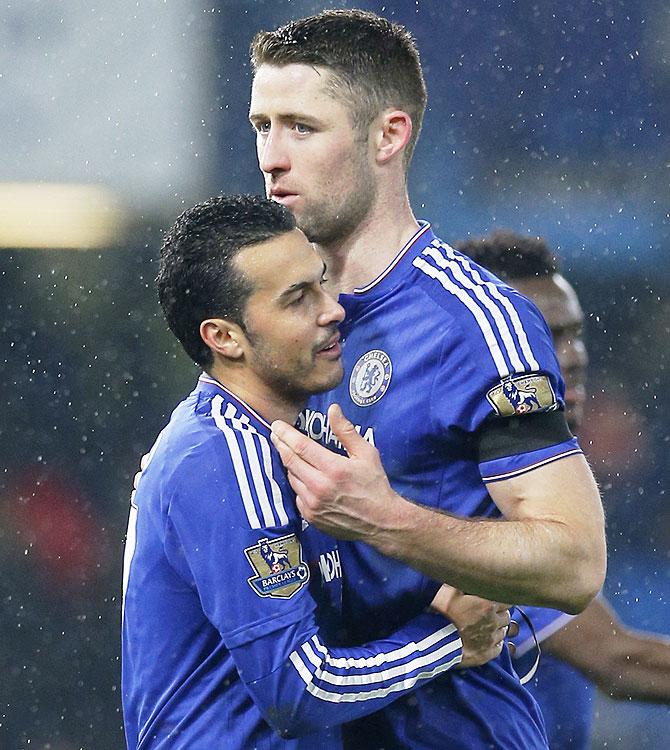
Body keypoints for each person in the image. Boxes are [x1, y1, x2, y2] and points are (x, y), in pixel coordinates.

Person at [248, 9, 606, 748]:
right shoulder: (282, 322)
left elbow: (575, 562)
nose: (272, 158)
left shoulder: (474, 322)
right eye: (262, 126)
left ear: (389, 135)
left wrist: (387, 520)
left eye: (301, 127)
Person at [121, 194, 512, 749]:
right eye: (298, 299)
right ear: (224, 337)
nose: (333, 309)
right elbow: (297, 691)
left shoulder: (307, 440)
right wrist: (448, 640)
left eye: (322, 283)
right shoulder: (219, 458)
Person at [456, 229, 670, 749]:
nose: (571, 356)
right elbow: (621, 662)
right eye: (543, 335)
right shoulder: (467, 501)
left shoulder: (546, 483)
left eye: (574, 334)